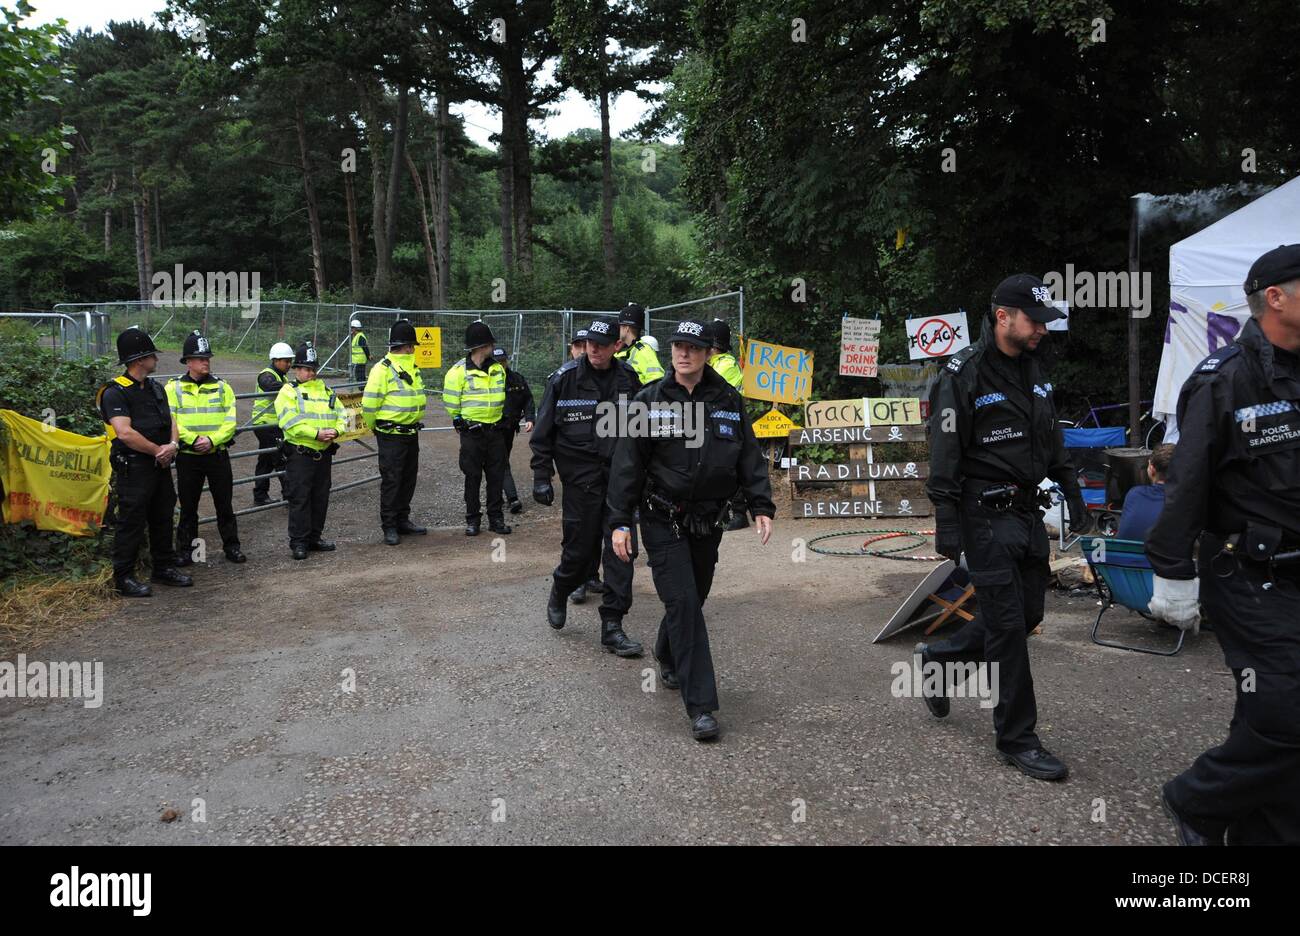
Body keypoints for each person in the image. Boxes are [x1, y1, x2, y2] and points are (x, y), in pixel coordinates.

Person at [1147, 244, 1300, 846]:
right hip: (1247, 571)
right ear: (1276, 296)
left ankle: (1267, 828)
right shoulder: (1225, 377)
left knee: (1270, 709)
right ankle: (1197, 800)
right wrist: (1171, 571)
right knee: (1287, 713)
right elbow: (1188, 479)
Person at [918, 274, 1093, 780]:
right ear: (1002, 317)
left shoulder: (1036, 367)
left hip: (1025, 511)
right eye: (1035, 320)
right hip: (981, 512)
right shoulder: (962, 374)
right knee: (1010, 628)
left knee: (1027, 612)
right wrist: (946, 523)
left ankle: (941, 660)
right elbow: (944, 452)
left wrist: (1074, 492)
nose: (1042, 329)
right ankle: (1017, 738)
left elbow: (1052, 436)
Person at [608, 318, 776, 740]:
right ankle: (701, 705)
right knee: (683, 603)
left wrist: (760, 504)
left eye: (693, 348)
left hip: (706, 519)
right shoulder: (648, 401)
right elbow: (626, 466)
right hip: (661, 517)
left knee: (694, 596)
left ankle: (666, 652)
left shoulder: (728, 400)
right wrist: (619, 522)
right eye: (678, 346)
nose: (683, 354)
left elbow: (748, 457)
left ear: (708, 353)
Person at [531, 317, 643, 656]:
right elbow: (543, 431)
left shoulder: (629, 381)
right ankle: (561, 586)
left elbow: (641, 436)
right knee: (579, 553)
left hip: (619, 483)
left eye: (602, 343)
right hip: (581, 482)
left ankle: (613, 626)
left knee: (622, 552)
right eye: (590, 342)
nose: (594, 348)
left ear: (616, 347)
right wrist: (541, 476)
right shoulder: (564, 381)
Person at [98, 327, 193, 597]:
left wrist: (172, 446)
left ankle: (163, 567)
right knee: (131, 522)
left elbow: (171, 420)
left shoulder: (155, 387)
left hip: (160, 464)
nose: (156, 359)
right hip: (135, 467)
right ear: (140, 359)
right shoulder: (114, 392)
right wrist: (156, 451)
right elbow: (124, 433)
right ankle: (123, 576)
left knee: (163, 516)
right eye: (152, 354)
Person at [166, 331, 244, 568]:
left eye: (207, 358)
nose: (206, 362)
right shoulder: (173, 388)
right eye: (200, 358)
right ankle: (186, 551)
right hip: (188, 457)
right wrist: (192, 440)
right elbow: (172, 421)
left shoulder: (223, 387)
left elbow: (230, 422)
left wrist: (211, 440)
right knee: (189, 507)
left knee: (225, 504)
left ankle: (232, 547)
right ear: (188, 362)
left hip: (217, 455)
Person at [275, 341, 346, 560]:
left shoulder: (326, 391)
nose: (309, 373)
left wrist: (336, 430)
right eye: (305, 368)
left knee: (320, 497)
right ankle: (299, 542)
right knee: (300, 498)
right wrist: (316, 434)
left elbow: (342, 415)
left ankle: (314, 537)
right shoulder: (288, 391)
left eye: (312, 369)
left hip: (323, 454)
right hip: (301, 454)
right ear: (296, 369)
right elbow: (289, 421)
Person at [363, 319, 427, 546]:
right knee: (392, 480)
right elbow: (369, 406)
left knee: (408, 479)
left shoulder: (411, 366)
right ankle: (389, 525)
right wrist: (376, 427)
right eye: (413, 345)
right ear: (407, 345)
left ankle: (402, 519)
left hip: (410, 433)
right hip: (391, 433)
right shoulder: (382, 369)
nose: (414, 349)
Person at [443, 322, 510, 536]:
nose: (493, 346)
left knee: (496, 477)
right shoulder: (457, 372)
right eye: (490, 343)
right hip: (472, 433)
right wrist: (458, 419)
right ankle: (473, 520)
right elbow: (451, 401)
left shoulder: (498, 369)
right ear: (481, 345)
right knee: (472, 477)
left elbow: (503, 396)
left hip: (495, 431)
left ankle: (496, 519)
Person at [708, 318, 749, 531]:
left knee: (731, 468)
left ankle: (740, 513)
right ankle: (723, 512)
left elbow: (714, 393)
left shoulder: (726, 365)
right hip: (717, 424)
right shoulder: (715, 363)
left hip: (730, 423)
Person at [492, 347, 535, 515]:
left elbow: (528, 399)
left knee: (499, 462)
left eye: (502, 361)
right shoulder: (485, 379)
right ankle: (512, 498)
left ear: (507, 360)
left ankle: (496, 496)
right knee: (501, 462)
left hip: (510, 428)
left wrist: (530, 418)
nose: (500, 364)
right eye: (497, 361)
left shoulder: (516, 379)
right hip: (492, 429)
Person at [251, 342, 294, 505]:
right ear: (275, 360)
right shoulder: (266, 374)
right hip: (266, 425)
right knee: (282, 459)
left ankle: (260, 495)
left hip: (272, 425)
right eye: (285, 361)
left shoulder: (282, 376)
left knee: (266, 460)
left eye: (290, 361)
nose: (289, 364)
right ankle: (290, 496)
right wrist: (292, 386)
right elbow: (268, 386)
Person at [1116, 443, 1174, 541]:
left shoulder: (1134, 494)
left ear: (1151, 469)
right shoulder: (1183, 501)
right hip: (1162, 555)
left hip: (1127, 554)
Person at [614, 302, 666, 386]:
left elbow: (657, 380)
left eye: (620, 326)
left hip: (634, 398)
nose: (618, 330)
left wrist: (640, 397)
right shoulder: (623, 351)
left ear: (626, 328)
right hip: (622, 397)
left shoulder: (643, 350)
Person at [349, 318, 370, 383]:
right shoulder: (357, 336)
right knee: (360, 376)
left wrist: (368, 355)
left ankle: (362, 389)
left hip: (359, 360)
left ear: (354, 328)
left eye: (352, 328)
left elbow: (365, 347)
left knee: (360, 377)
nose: (351, 330)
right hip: (358, 360)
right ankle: (362, 388)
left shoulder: (360, 336)